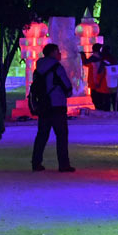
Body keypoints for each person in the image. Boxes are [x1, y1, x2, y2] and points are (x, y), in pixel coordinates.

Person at [32, 43, 75, 172]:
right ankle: (63, 164)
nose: (60, 54)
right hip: (57, 105)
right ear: (53, 52)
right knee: (61, 135)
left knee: (42, 135)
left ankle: (36, 162)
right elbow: (66, 86)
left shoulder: (38, 69)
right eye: (58, 52)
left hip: (44, 105)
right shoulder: (57, 68)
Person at [81, 43, 110, 111]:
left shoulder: (94, 57)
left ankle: (99, 109)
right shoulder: (102, 57)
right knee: (101, 96)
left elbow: (85, 63)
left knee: (95, 97)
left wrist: (83, 56)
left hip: (95, 80)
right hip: (102, 80)